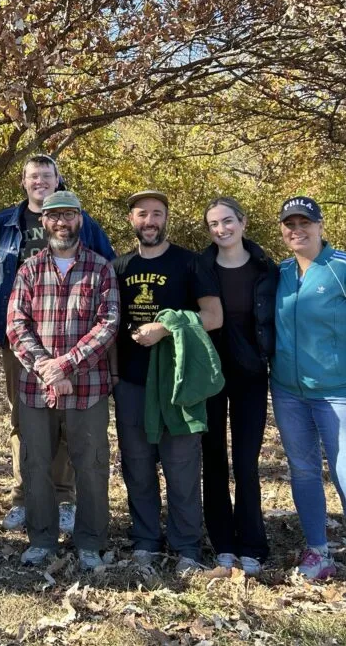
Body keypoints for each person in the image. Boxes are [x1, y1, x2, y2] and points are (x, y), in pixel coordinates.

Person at [0, 154, 115, 533]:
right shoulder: (5, 224)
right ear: (23, 182)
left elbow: (109, 265)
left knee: (70, 419)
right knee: (25, 420)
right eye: (32, 176)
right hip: (21, 342)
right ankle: (25, 498)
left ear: (58, 181)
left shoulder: (81, 221)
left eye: (46, 176)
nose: (39, 181)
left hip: (76, 339)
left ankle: (64, 496)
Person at [271, 195, 346, 603]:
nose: (297, 230)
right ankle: (318, 553)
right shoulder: (282, 273)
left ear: (320, 226)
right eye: (289, 224)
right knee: (303, 471)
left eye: (305, 222)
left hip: (339, 394)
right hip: (288, 392)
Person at [109, 191, 223, 574]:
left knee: (182, 466)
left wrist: (166, 327)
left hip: (179, 381)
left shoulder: (190, 263)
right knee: (137, 465)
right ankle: (145, 539)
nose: (150, 220)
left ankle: (187, 545)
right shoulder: (118, 266)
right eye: (143, 214)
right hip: (131, 381)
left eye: (158, 214)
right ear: (132, 220)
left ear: (166, 219)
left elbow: (214, 316)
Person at [7, 191, 119, 570]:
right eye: (54, 216)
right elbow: (16, 325)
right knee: (36, 463)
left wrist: (66, 366)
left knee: (91, 465)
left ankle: (90, 540)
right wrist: (47, 369)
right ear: (44, 222)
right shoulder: (29, 269)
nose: (61, 222)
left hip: (88, 388)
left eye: (68, 215)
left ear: (80, 220)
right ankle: (41, 539)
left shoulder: (101, 268)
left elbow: (108, 324)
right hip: (36, 389)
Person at [199, 197, 278, 577]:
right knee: (213, 460)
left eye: (227, 221)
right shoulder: (200, 266)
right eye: (213, 224)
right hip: (210, 377)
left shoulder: (266, 269)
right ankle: (223, 545)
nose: (221, 229)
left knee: (245, 463)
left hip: (250, 376)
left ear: (243, 222)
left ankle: (252, 544)